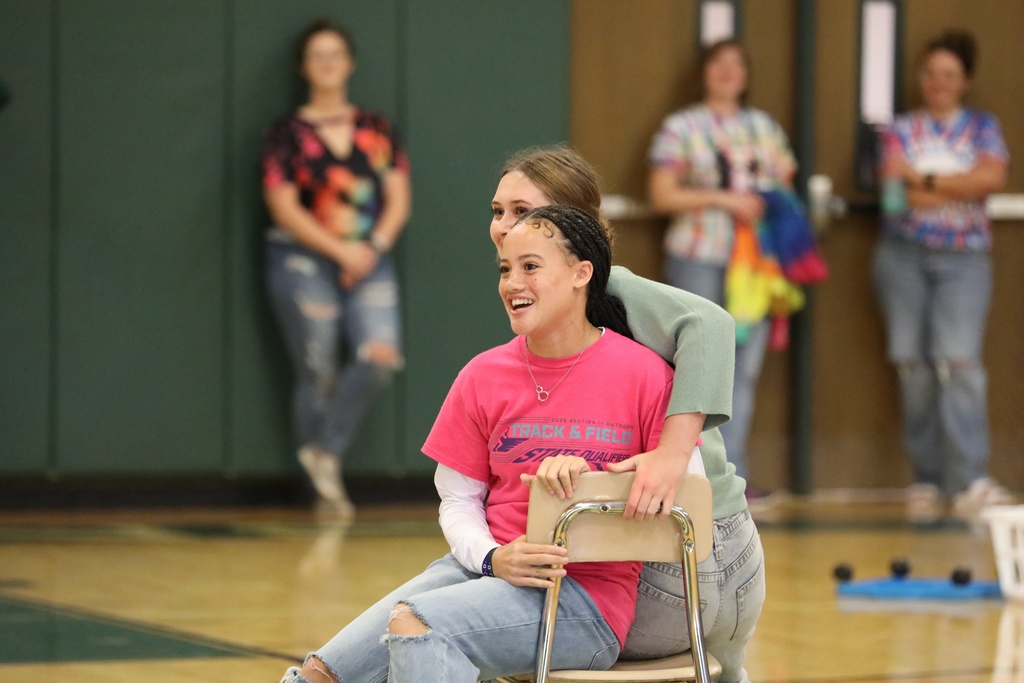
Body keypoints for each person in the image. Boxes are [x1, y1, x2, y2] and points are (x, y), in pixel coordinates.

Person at [280, 204, 682, 682]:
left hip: (583, 601)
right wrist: (493, 558)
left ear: (581, 274)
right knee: (319, 677)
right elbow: (457, 499)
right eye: (506, 269)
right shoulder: (482, 375)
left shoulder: (645, 374)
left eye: (530, 267)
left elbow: (683, 496)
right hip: (483, 568)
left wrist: (588, 484)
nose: (513, 283)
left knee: (417, 626)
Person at [491, 147, 762, 683]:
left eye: (522, 212)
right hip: (718, 559)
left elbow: (710, 325)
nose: (503, 227)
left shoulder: (609, 291)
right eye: (497, 211)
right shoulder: (552, 311)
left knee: (468, 623)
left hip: (689, 555)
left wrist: (671, 453)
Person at [262, 19, 411, 517]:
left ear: (349, 63)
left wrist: (369, 248)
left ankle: (324, 450)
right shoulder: (284, 135)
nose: (327, 63)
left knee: (379, 354)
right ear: (304, 67)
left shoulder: (377, 129)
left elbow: (398, 200)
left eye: (335, 54)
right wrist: (340, 252)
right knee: (317, 365)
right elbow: (284, 207)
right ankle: (321, 489)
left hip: (371, 254)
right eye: (317, 55)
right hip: (302, 256)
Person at [646, 38, 797, 497]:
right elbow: (663, 194)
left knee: (742, 369)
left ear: (747, 75)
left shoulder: (764, 128)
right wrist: (721, 198)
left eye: (738, 64)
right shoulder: (681, 126)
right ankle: (694, 475)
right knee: (696, 365)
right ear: (704, 72)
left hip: (755, 264)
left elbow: (785, 187)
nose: (728, 72)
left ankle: (732, 479)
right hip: (698, 255)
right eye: (719, 64)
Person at [873, 30, 1012, 518]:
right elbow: (893, 198)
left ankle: (970, 478)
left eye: (949, 75)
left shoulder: (981, 127)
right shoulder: (901, 129)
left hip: (964, 260)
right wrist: (957, 187)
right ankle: (928, 479)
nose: (938, 82)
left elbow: (992, 179)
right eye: (931, 73)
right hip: (902, 257)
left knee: (958, 363)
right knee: (913, 366)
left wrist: (923, 179)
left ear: (965, 81)